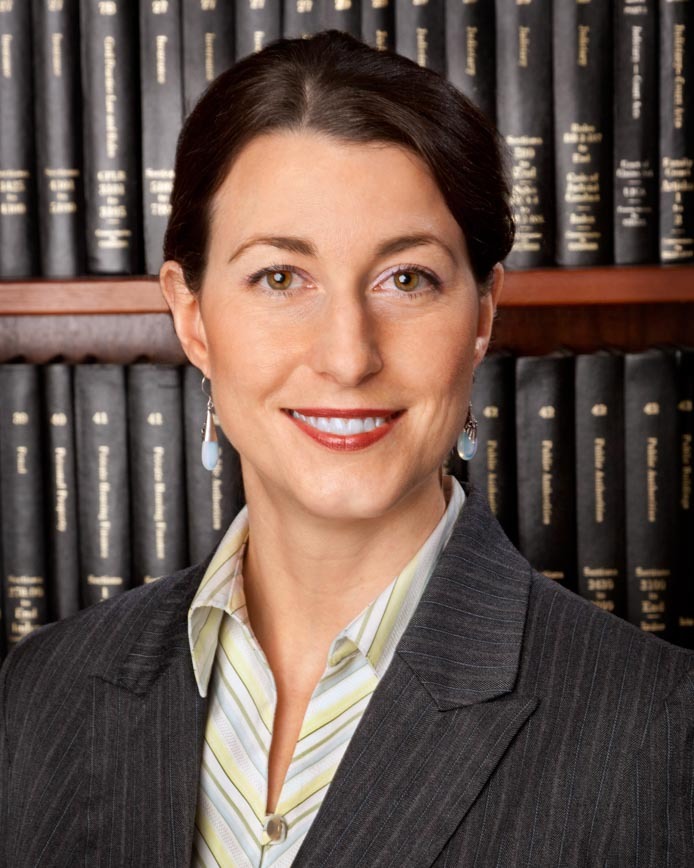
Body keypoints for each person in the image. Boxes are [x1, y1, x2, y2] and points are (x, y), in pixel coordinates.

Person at [1, 30, 693, 868]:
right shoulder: (40, 694)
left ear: (480, 314)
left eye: (407, 279)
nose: (348, 355)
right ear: (192, 318)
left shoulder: (662, 729)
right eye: (281, 279)